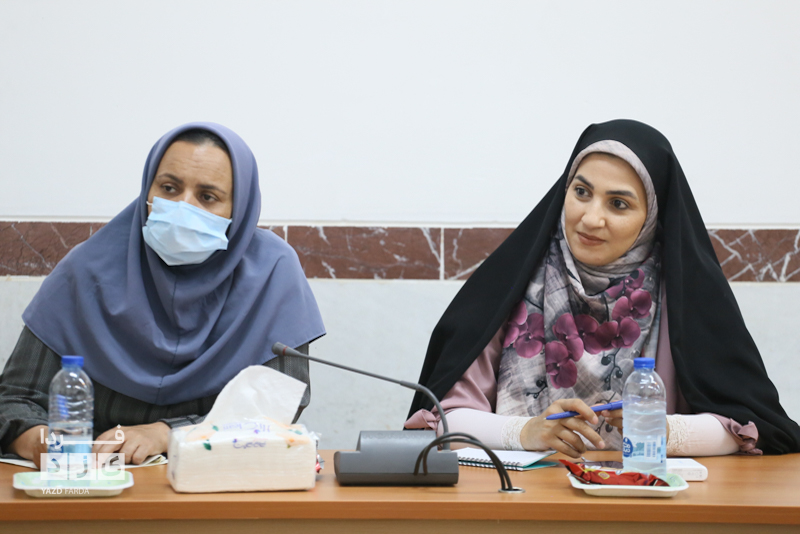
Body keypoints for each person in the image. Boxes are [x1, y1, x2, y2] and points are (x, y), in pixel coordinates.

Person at [406, 119, 800, 457]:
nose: (591, 218)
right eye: (581, 192)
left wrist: (665, 431)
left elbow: (751, 427)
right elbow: (441, 417)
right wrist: (525, 433)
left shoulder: (683, 296)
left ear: (652, 216)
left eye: (619, 204)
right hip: (518, 500)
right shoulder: (512, 283)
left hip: (650, 503)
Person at [0, 123, 325, 466]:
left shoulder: (273, 273)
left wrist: (167, 434)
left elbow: (278, 405)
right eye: (169, 188)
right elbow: (16, 399)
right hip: (94, 480)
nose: (183, 207)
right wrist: (42, 443)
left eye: (207, 197)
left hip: (216, 480)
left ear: (239, 209)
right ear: (148, 189)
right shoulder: (88, 269)